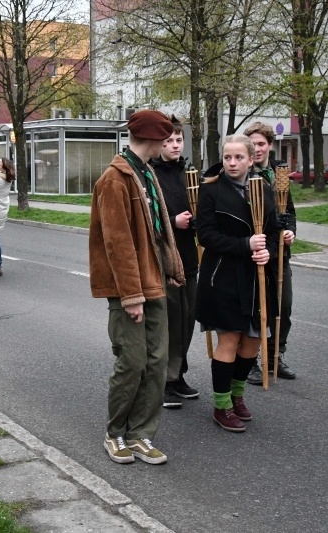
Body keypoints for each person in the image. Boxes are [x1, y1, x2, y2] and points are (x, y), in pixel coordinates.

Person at [89, 109, 185, 465]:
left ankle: (141, 434)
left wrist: (172, 268)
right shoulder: (116, 179)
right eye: (166, 139)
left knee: (157, 362)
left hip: (155, 281)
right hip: (130, 288)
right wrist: (131, 296)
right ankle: (115, 434)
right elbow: (118, 243)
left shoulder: (146, 173)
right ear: (155, 139)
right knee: (132, 362)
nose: (169, 145)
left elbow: (159, 230)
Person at [195, 134, 278, 433]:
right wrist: (245, 244)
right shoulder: (211, 191)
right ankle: (221, 405)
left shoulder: (264, 189)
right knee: (229, 339)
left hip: (257, 278)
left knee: (253, 340)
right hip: (223, 276)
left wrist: (268, 250)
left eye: (238, 157)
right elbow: (205, 234)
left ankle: (237, 394)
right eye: (227, 157)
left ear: (251, 158)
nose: (232, 163)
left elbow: (274, 229)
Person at [149, 116, 200, 409]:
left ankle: (178, 374)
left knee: (187, 320)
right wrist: (172, 221)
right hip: (164, 259)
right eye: (168, 141)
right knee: (168, 321)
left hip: (189, 258)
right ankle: (164, 381)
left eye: (178, 140)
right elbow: (147, 219)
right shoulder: (151, 175)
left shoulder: (188, 173)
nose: (174, 145)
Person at [243, 122, 298, 383]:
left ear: (270, 145)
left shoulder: (280, 173)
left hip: (279, 254)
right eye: (252, 144)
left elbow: (290, 211)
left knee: (283, 306)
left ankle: (276, 356)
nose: (257, 149)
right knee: (256, 309)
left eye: (261, 144)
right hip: (256, 251)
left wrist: (290, 232)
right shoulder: (243, 170)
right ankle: (251, 360)